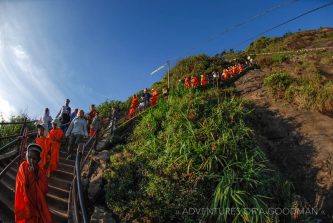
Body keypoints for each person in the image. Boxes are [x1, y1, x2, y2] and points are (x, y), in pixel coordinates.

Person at [14, 143, 52, 223]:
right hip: (25, 198)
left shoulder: (41, 171)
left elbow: (44, 189)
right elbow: (21, 182)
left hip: (36, 200)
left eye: (34, 159)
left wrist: (35, 173)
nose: (31, 161)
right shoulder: (23, 166)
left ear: (39, 160)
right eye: (29, 157)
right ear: (26, 155)